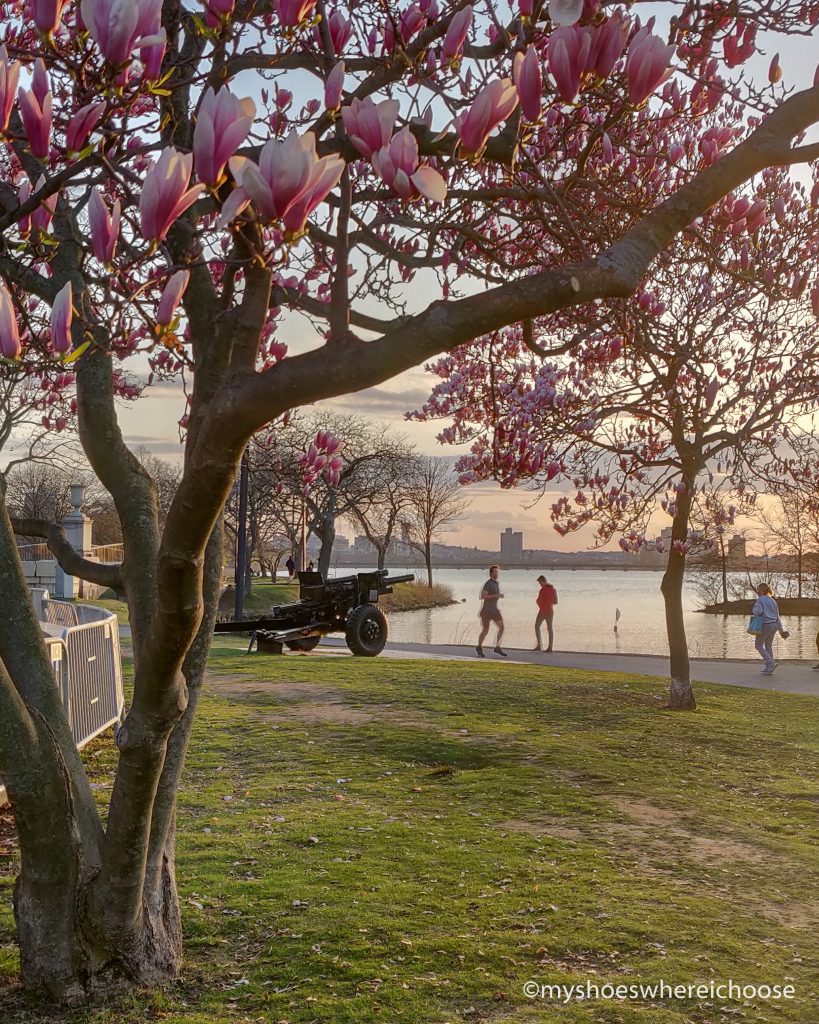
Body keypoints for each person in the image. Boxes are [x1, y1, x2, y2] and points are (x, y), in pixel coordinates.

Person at [751, 583, 789, 676]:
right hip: (774, 625)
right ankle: (769, 668)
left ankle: (770, 662)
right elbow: (777, 616)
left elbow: (758, 611)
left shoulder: (760, 599)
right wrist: (781, 630)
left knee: (758, 645)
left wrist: (754, 609)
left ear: (762, 590)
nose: (757, 591)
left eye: (758, 589)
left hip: (765, 624)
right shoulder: (772, 601)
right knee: (768, 645)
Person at [477, 565, 506, 658]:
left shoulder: (496, 583)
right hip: (486, 611)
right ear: (491, 573)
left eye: (497, 572)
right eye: (495, 572)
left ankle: (497, 647)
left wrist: (498, 595)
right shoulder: (488, 584)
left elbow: (495, 595)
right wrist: (495, 595)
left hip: (495, 610)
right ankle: (479, 647)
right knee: (485, 630)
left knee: (501, 627)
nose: (496, 573)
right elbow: (482, 596)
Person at [533, 574, 558, 651]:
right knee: (550, 629)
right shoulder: (553, 589)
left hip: (543, 611)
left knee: (537, 626)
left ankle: (539, 645)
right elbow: (556, 601)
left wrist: (538, 603)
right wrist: (549, 603)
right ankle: (550, 647)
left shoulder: (543, 589)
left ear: (542, 581)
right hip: (550, 610)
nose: (539, 584)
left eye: (539, 583)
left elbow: (539, 601)